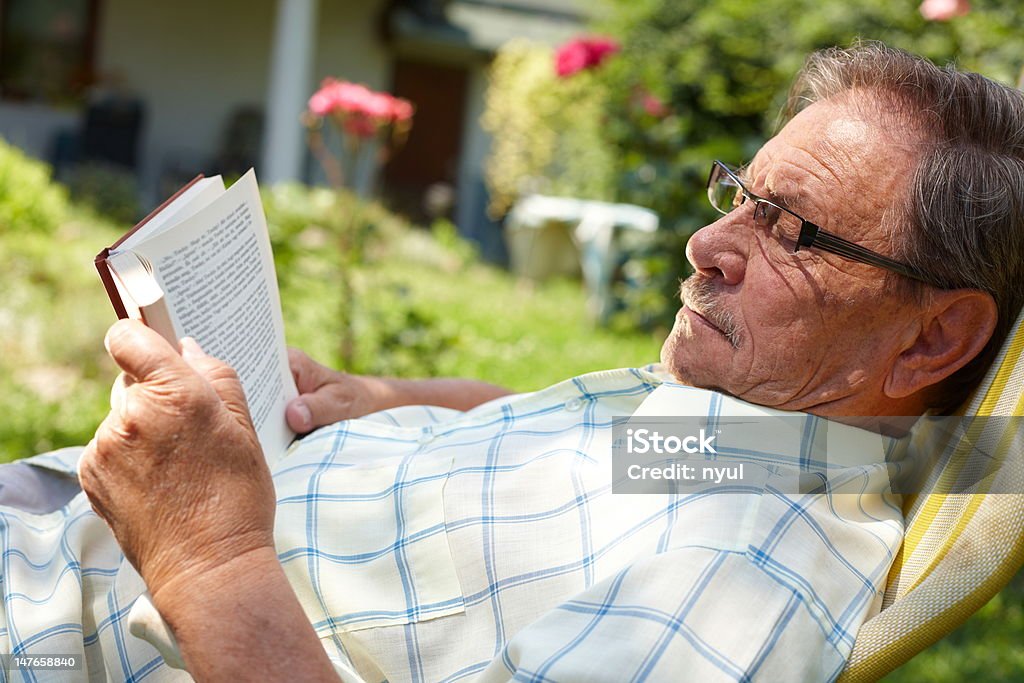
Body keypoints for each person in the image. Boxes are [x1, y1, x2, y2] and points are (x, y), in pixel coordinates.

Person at [4, 42, 1024, 682]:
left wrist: (205, 556)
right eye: (740, 196)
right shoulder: (745, 434)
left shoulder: (742, 581)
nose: (707, 247)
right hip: (56, 530)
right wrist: (396, 398)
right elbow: (571, 438)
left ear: (931, 338)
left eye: (793, 230)